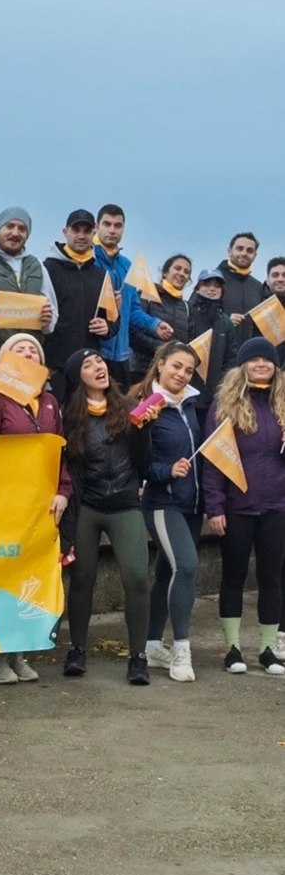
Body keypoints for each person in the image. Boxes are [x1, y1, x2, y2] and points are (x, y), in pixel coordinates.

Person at [0, 333, 69, 682]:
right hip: (6, 503)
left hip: (41, 504)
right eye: (19, 350)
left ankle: (18, 653)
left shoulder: (51, 401)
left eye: (33, 350)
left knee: (30, 577)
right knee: (5, 576)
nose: (27, 353)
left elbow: (59, 451)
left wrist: (64, 491)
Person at [59, 349, 152, 683]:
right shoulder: (69, 417)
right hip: (88, 504)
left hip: (125, 503)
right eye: (88, 364)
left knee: (137, 577)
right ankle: (77, 649)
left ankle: (138, 656)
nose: (98, 366)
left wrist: (143, 429)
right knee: (82, 577)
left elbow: (144, 461)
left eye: (99, 361)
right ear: (78, 378)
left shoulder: (129, 407)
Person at [204, 339, 285, 677]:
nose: (261, 364)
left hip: (277, 506)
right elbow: (213, 462)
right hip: (237, 507)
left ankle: (267, 649)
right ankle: (233, 648)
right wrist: (215, 507)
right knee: (233, 577)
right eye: (254, 359)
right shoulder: (224, 404)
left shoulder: (283, 402)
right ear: (243, 366)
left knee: (271, 579)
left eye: (268, 359)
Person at [133, 341, 205, 684]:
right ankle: (180, 649)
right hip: (163, 503)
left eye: (188, 370)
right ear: (160, 364)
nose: (182, 374)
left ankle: (150, 646)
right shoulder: (146, 405)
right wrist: (166, 471)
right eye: (176, 366)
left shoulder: (191, 403)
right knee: (187, 567)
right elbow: (137, 460)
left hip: (193, 505)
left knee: (167, 573)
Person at [45, 210, 120, 399]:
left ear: (93, 233)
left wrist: (107, 327)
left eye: (86, 231)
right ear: (65, 232)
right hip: (54, 368)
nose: (81, 235)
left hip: (88, 370)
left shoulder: (101, 276)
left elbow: (113, 320)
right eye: (76, 230)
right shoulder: (46, 269)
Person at [89, 205, 167, 384]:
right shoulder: (88, 259)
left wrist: (154, 325)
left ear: (123, 229)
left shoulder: (127, 265)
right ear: (96, 226)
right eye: (107, 224)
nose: (112, 230)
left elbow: (133, 311)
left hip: (121, 356)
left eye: (117, 225)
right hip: (95, 352)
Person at [0, 207, 58, 364]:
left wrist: (47, 321)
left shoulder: (37, 266)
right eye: (9, 226)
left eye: (22, 229)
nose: (15, 233)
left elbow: (52, 313)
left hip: (28, 358)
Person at [129, 255, 195, 376]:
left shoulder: (187, 307)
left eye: (186, 272)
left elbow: (189, 341)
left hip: (172, 374)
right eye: (177, 268)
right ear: (165, 272)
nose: (182, 273)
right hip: (143, 370)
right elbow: (132, 332)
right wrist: (163, 349)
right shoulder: (146, 295)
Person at [187, 269, 238, 412]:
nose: (212, 289)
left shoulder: (226, 322)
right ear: (197, 288)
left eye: (217, 286)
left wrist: (222, 387)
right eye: (206, 284)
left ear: (222, 291)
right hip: (186, 389)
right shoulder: (187, 313)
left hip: (213, 395)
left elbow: (230, 359)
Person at [218, 232, 265, 329]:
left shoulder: (258, 287)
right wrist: (223, 323)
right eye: (239, 249)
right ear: (229, 251)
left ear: (255, 256)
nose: (244, 253)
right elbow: (195, 317)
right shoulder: (212, 280)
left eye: (249, 250)